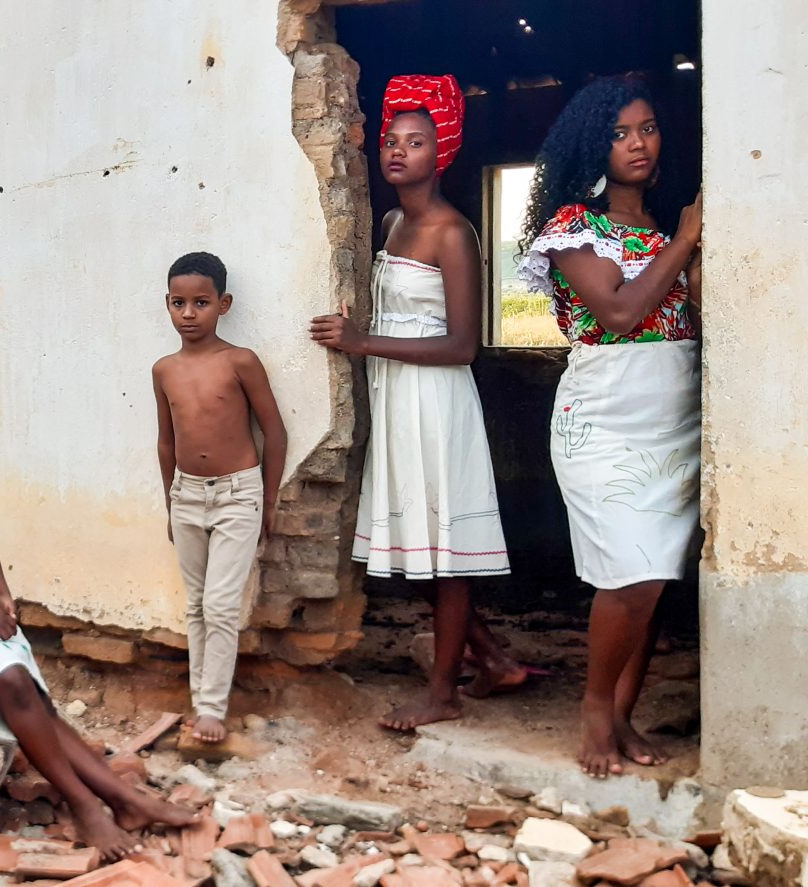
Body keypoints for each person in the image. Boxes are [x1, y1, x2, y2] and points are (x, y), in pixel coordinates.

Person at [0, 317, 196, 861]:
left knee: (40, 702)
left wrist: (2, 594)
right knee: (18, 686)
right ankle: (85, 805)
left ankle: (125, 798)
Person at [309, 75, 527, 731]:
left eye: (417, 141)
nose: (400, 151)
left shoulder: (450, 233)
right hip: (399, 394)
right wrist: (365, 332)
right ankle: (493, 662)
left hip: (437, 400)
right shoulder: (390, 221)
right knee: (424, 547)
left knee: (446, 549)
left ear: (443, 150)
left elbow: (463, 346)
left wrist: (362, 340)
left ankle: (443, 695)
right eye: (392, 140)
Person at [515, 76, 700, 778]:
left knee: (652, 574)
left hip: (674, 416)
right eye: (621, 133)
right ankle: (595, 707)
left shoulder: (659, 230)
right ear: (595, 142)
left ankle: (625, 710)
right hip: (604, 416)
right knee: (625, 570)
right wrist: (684, 240)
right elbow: (620, 313)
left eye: (648, 128)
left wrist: (678, 240)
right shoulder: (573, 228)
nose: (638, 143)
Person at [151, 252, 286, 745]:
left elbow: (274, 431)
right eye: (178, 303)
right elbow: (166, 441)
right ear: (166, 305)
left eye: (201, 302)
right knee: (197, 606)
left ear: (223, 304)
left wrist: (267, 498)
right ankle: (198, 700)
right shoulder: (164, 369)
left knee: (222, 604)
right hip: (185, 495)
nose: (189, 313)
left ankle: (212, 708)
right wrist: (170, 502)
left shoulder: (240, 361)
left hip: (237, 495)